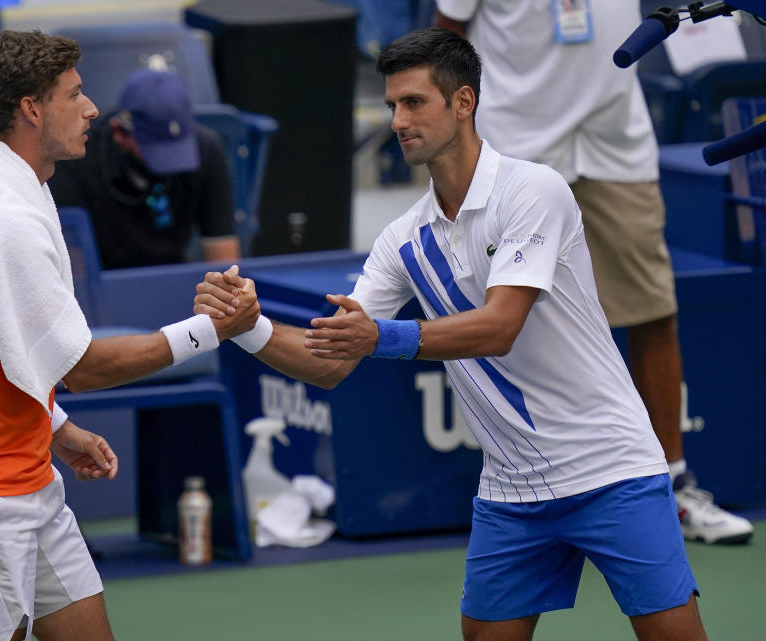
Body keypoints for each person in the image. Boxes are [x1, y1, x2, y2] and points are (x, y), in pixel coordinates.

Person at [195, 29, 708, 641]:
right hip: (512, 491)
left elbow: (500, 326)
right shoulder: (402, 240)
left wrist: (379, 337)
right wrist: (247, 327)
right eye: (391, 106)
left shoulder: (533, 191)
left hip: (610, 470)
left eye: (414, 103)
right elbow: (328, 362)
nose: (398, 121)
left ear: (463, 102)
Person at [0, 30, 257, 641]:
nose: (92, 108)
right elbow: (84, 366)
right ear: (31, 110)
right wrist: (209, 332)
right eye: (75, 94)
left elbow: (3, 347)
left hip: (26, 477)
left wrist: (56, 427)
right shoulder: (5, 218)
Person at [432, 0, 753, 544]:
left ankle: (672, 488)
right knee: (504, 323)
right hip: (514, 151)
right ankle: (517, 496)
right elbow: (447, 40)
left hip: (613, 147)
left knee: (653, 312)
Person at [50, 68, 240, 268]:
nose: (171, 161)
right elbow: (73, 271)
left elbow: (224, 258)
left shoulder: (207, 150)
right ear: (120, 133)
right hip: (101, 283)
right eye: (156, 146)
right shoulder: (75, 157)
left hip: (175, 279)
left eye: (176, 144)